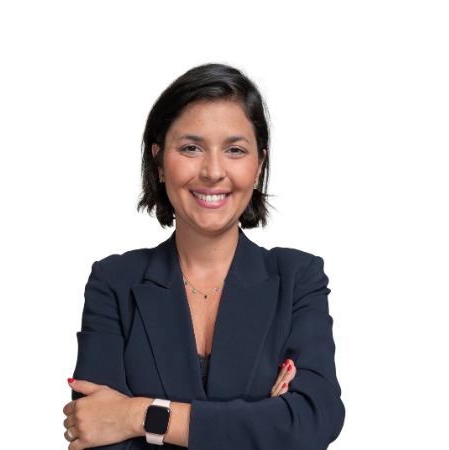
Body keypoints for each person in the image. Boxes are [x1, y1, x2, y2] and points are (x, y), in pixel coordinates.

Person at [62, 63, 345, 449]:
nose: (213, 171)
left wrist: (136, 416)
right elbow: (96, 430)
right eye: (191, 148)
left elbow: (313, 420)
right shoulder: (114, 282)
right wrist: (264, 422)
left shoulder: (298, 279)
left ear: (259, 166)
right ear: (159, 161)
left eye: (234, 150)